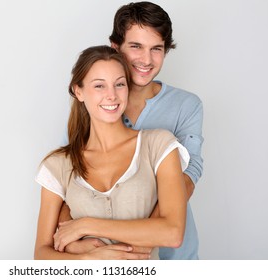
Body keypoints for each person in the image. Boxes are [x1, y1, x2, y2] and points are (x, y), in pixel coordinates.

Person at [58, 1, 204, 260]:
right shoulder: (97, 107)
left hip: (171, 255)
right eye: (136, 46)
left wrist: (143, 239)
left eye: (156, 49)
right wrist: (72, 242)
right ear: (115, 47)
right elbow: (67, 186)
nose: (146, 60)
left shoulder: (186, 105)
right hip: (107, 257)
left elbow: (188, 178)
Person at [34, 45, 190, 260]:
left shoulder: (159, 145)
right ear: (78, 91)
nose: (112, 95)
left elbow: (172, 233)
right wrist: (88, 260)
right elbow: (42, 254)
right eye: (99, 86)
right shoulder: (58, 164)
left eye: (119, 84)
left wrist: (86, 225)